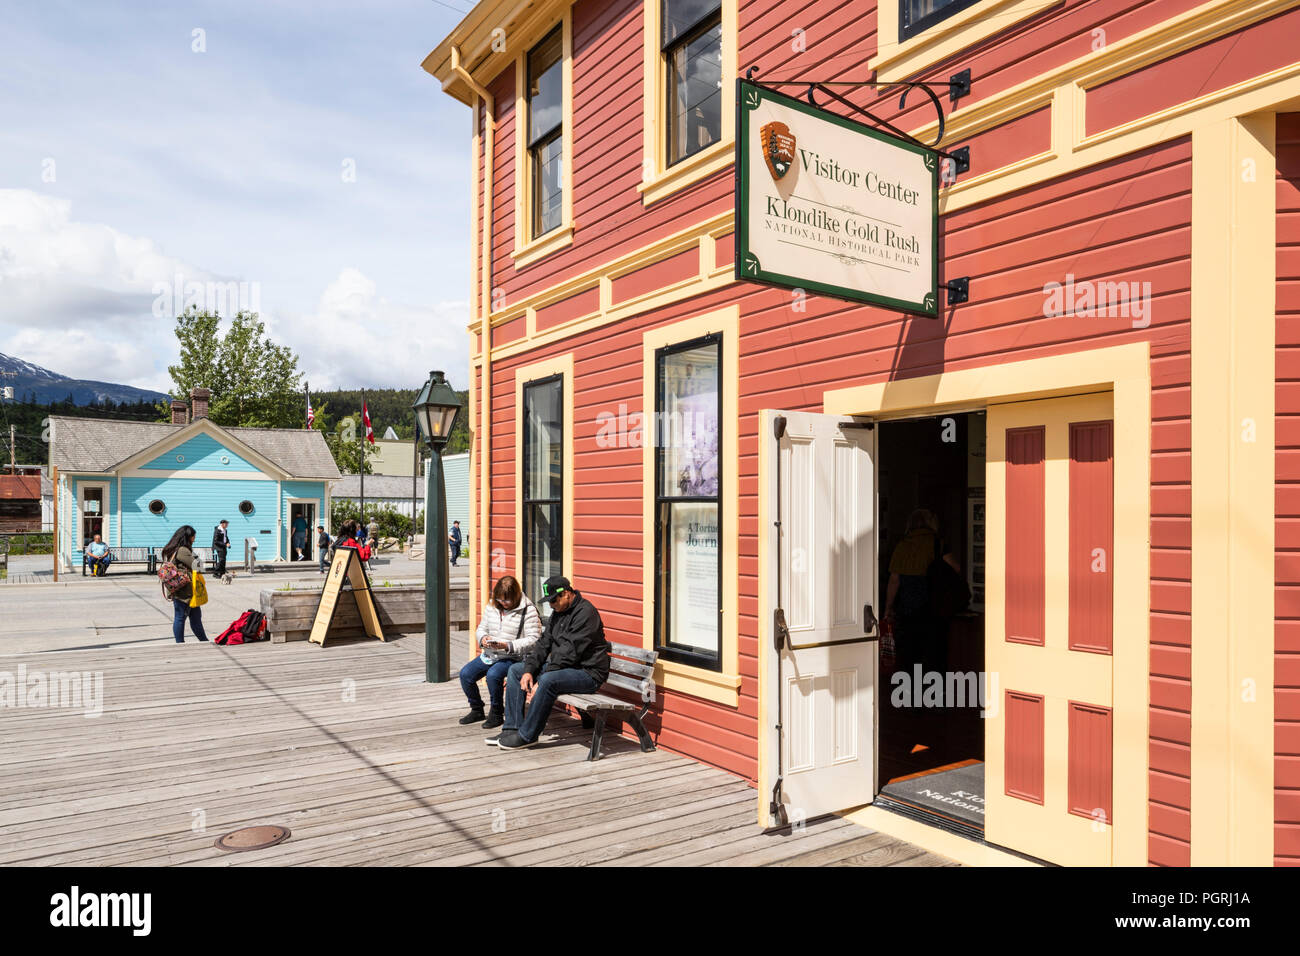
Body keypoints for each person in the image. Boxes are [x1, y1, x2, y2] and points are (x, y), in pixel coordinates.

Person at [493, 575, 610, 750]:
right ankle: (512, 728)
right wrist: (529, 670)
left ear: (567, 594)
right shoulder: (558, 613)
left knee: (548, 681)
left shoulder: (586, 613)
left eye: (554, 600)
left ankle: (527, 736)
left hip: (588, 673)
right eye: (548, 602)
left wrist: (545, 675)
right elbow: (543, 644)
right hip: (566, 668)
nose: (551, 605)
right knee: (517, 670)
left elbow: (570, 651)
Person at [458, 575, 542, 729]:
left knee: (493, 675)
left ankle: (496, 712)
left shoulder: (528, 610)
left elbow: (534, 640)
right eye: (500, 599)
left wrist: (507, 645)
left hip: (514, 656)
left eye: (506, 600)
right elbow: (482, 627)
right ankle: (476, 709)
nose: (503, 603)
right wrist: (483, 637)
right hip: (491, 653)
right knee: (465, 674)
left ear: (515, 596)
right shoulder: (492, 606)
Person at [884, 508, 959, 675]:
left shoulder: (902, 545)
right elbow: (956, 568)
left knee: (909, 653)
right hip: (933, 607)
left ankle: (909, 692)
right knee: (934, 653)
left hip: (907, 608)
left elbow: (894, 580)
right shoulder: (938, 543)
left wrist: (888, 607)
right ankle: (934, 693)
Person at [160, 525, 209, 643]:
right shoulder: (182, 550)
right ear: (187, 537)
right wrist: (198, 558)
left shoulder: (176, 549)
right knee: (180, 618)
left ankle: (204, 641)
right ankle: (180, 643)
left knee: (196, 618)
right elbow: (198, 566)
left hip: (186, 590)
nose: (194, 539)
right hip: (184, 590)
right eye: (193, 537)